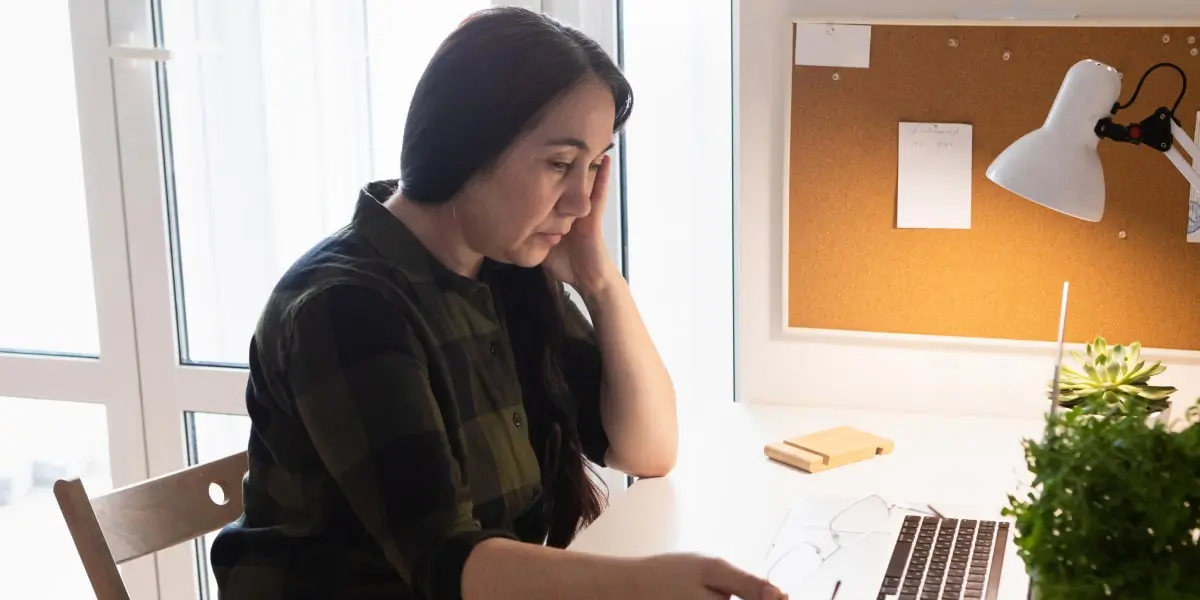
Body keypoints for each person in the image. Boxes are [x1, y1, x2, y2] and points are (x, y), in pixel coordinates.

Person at [210, 7, 787, 600]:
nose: (581, 202)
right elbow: (447, 562)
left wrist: (599, 281)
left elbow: (648, 448)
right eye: (561, 164)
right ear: (467, 143)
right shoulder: (345, 308)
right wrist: (639, 585)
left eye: (592, 168)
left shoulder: (504, 271)